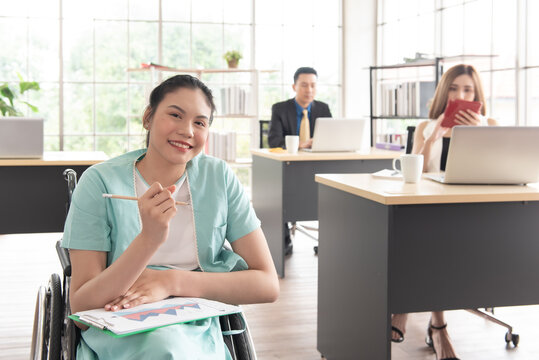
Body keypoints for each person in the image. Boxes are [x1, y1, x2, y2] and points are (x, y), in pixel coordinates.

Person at [62, 74, 279, 359]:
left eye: (200, 122)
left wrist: (171, 282)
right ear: (148, 117)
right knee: (163, 349)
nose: (187, 130)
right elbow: (81, 306)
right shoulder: (99, 183)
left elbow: (267, 284)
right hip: (118, 320)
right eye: (175, 115)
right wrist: (149, 239)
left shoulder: (219, 178)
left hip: (193, 320)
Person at [391, 64, 497, 360]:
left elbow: (496, 171)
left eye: (467, 90)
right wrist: (433, 134)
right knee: (425, 233)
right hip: (433, 210)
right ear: (443, 92)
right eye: (453, 89)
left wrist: (480, 136)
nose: (459, 95)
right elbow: (417, 171)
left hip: (475, 212)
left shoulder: (489, 124)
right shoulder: (427, 127)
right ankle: (439, 327)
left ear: (476, 95)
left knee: (431, 238)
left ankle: (405, 306)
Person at [268, 67, 332, 255]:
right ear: (294, 86)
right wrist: (303, 144)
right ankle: (284, 239)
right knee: (285, 193)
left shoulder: (323, 108)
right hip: (289, 167)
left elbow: (330, 138)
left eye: (313, 85)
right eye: (304, 85)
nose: (309, 90)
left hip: (318, 165)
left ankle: (329, 239)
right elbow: (274, 141)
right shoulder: (280, 108)